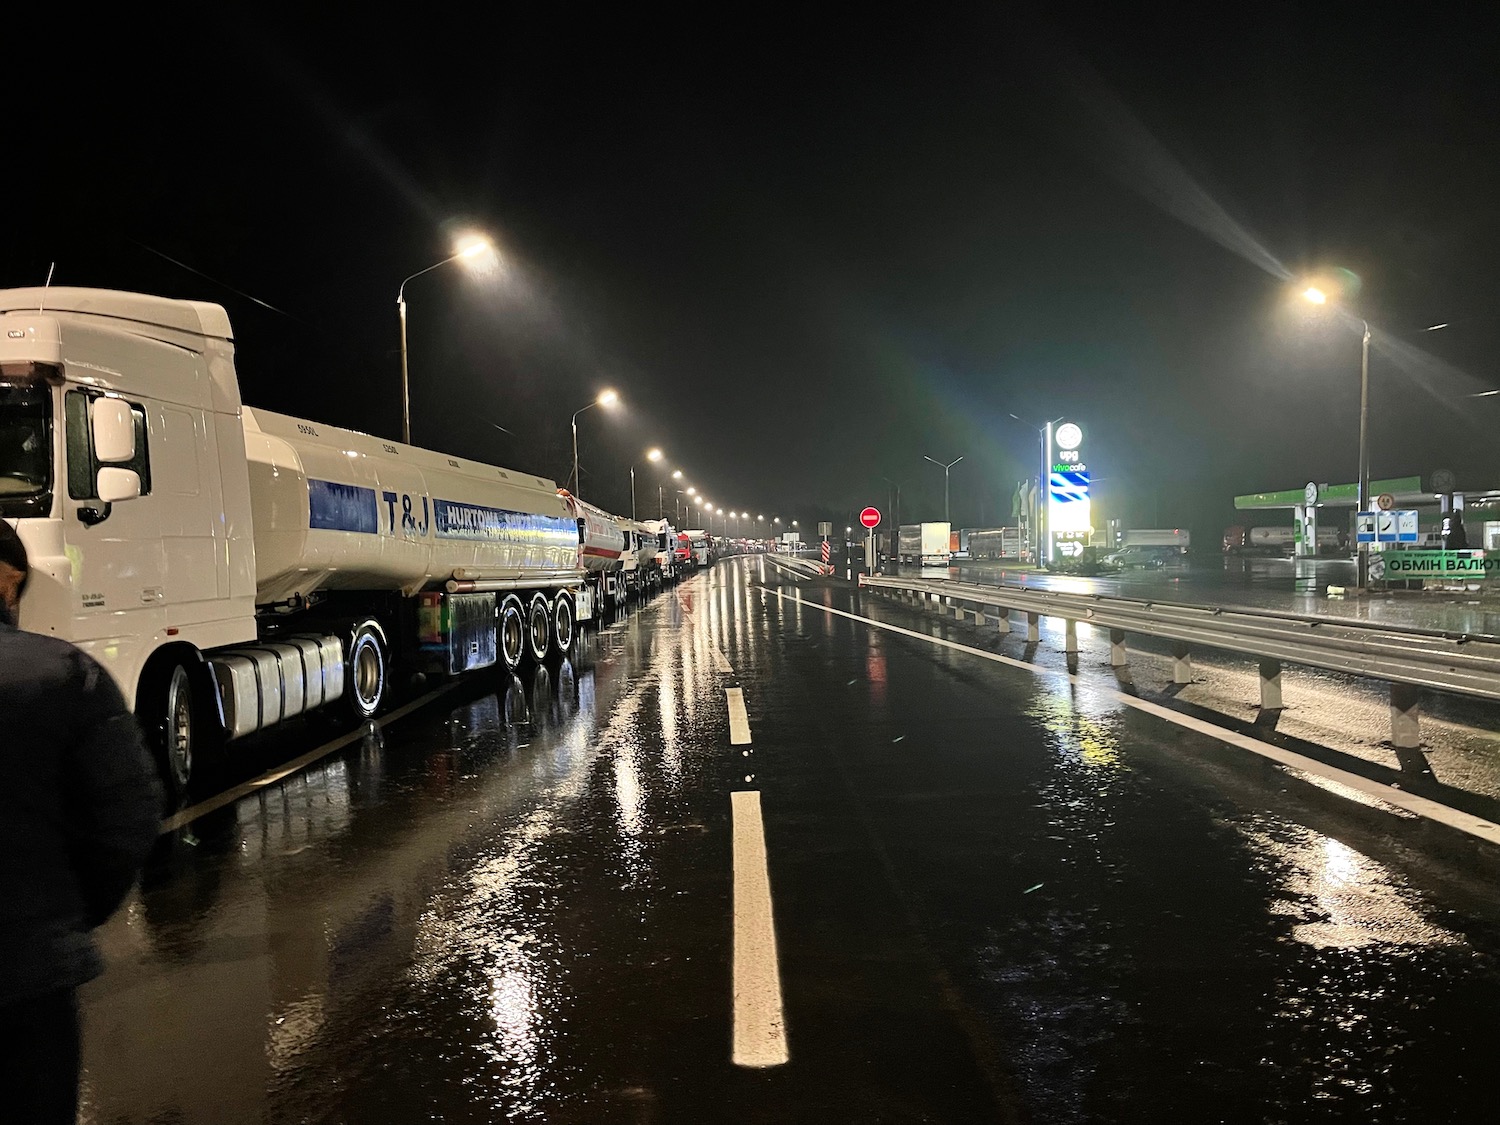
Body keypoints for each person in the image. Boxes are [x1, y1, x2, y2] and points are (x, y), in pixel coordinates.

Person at [0, 521, 163, 1124]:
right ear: (8, 581)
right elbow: (126, 819)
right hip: (29, 979)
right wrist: (65, 918)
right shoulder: (64, 676)